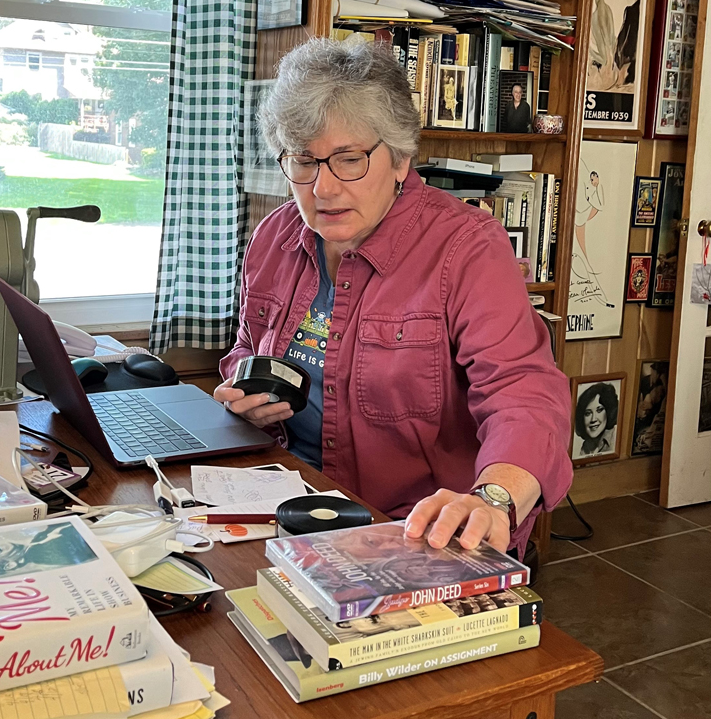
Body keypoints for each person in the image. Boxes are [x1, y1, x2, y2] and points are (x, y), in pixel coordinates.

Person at [214, 40, 572, 558]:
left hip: (418, 532)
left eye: (350, 160)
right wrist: (247, 393)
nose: (324, 189)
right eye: (303, 162)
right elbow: (249, 345)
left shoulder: (467, 247)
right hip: (292, 502)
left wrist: (493, 498)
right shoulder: (275, 235)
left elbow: (523, 390)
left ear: (400, 157)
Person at [574, 383, 618, 457]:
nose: (593, 419)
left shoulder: (616, 438)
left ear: (608, 411)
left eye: (599, 410)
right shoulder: (585, 447)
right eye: (588, 413)